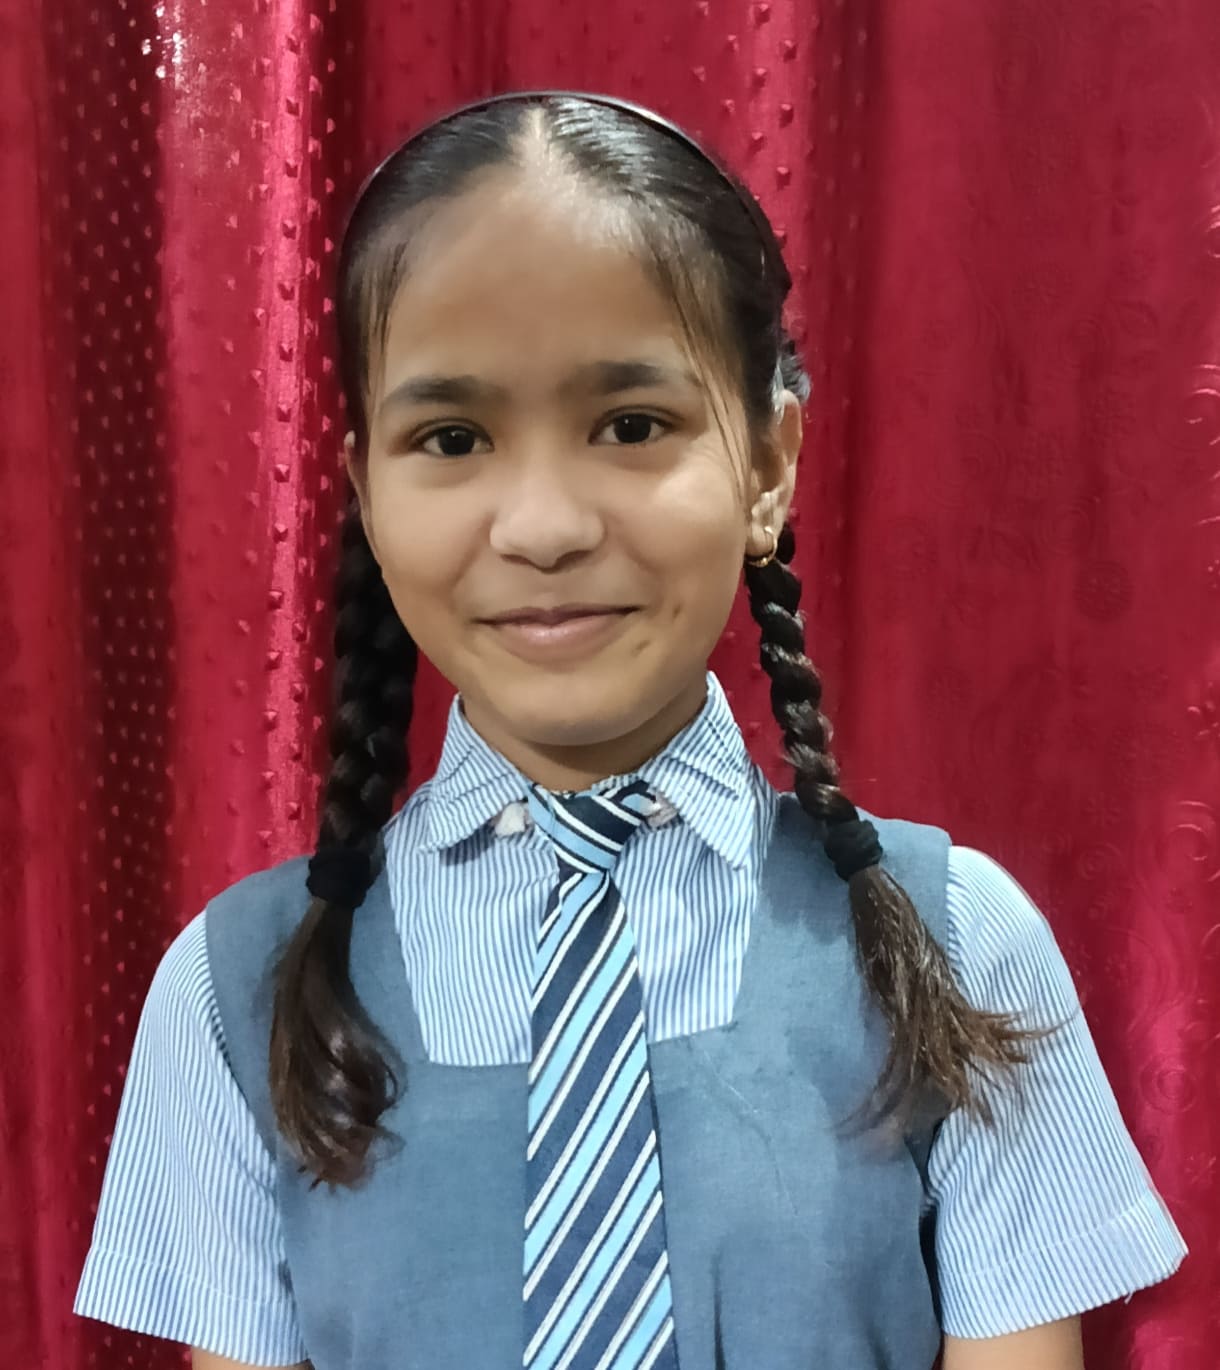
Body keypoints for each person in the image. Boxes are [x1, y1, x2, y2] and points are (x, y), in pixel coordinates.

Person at [73, 90, 1187, 1370]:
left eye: (631, 425)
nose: (543, 525)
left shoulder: (955, 943)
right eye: (451, 437)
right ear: (364, 491)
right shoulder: (237, 991)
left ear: (766, 464)